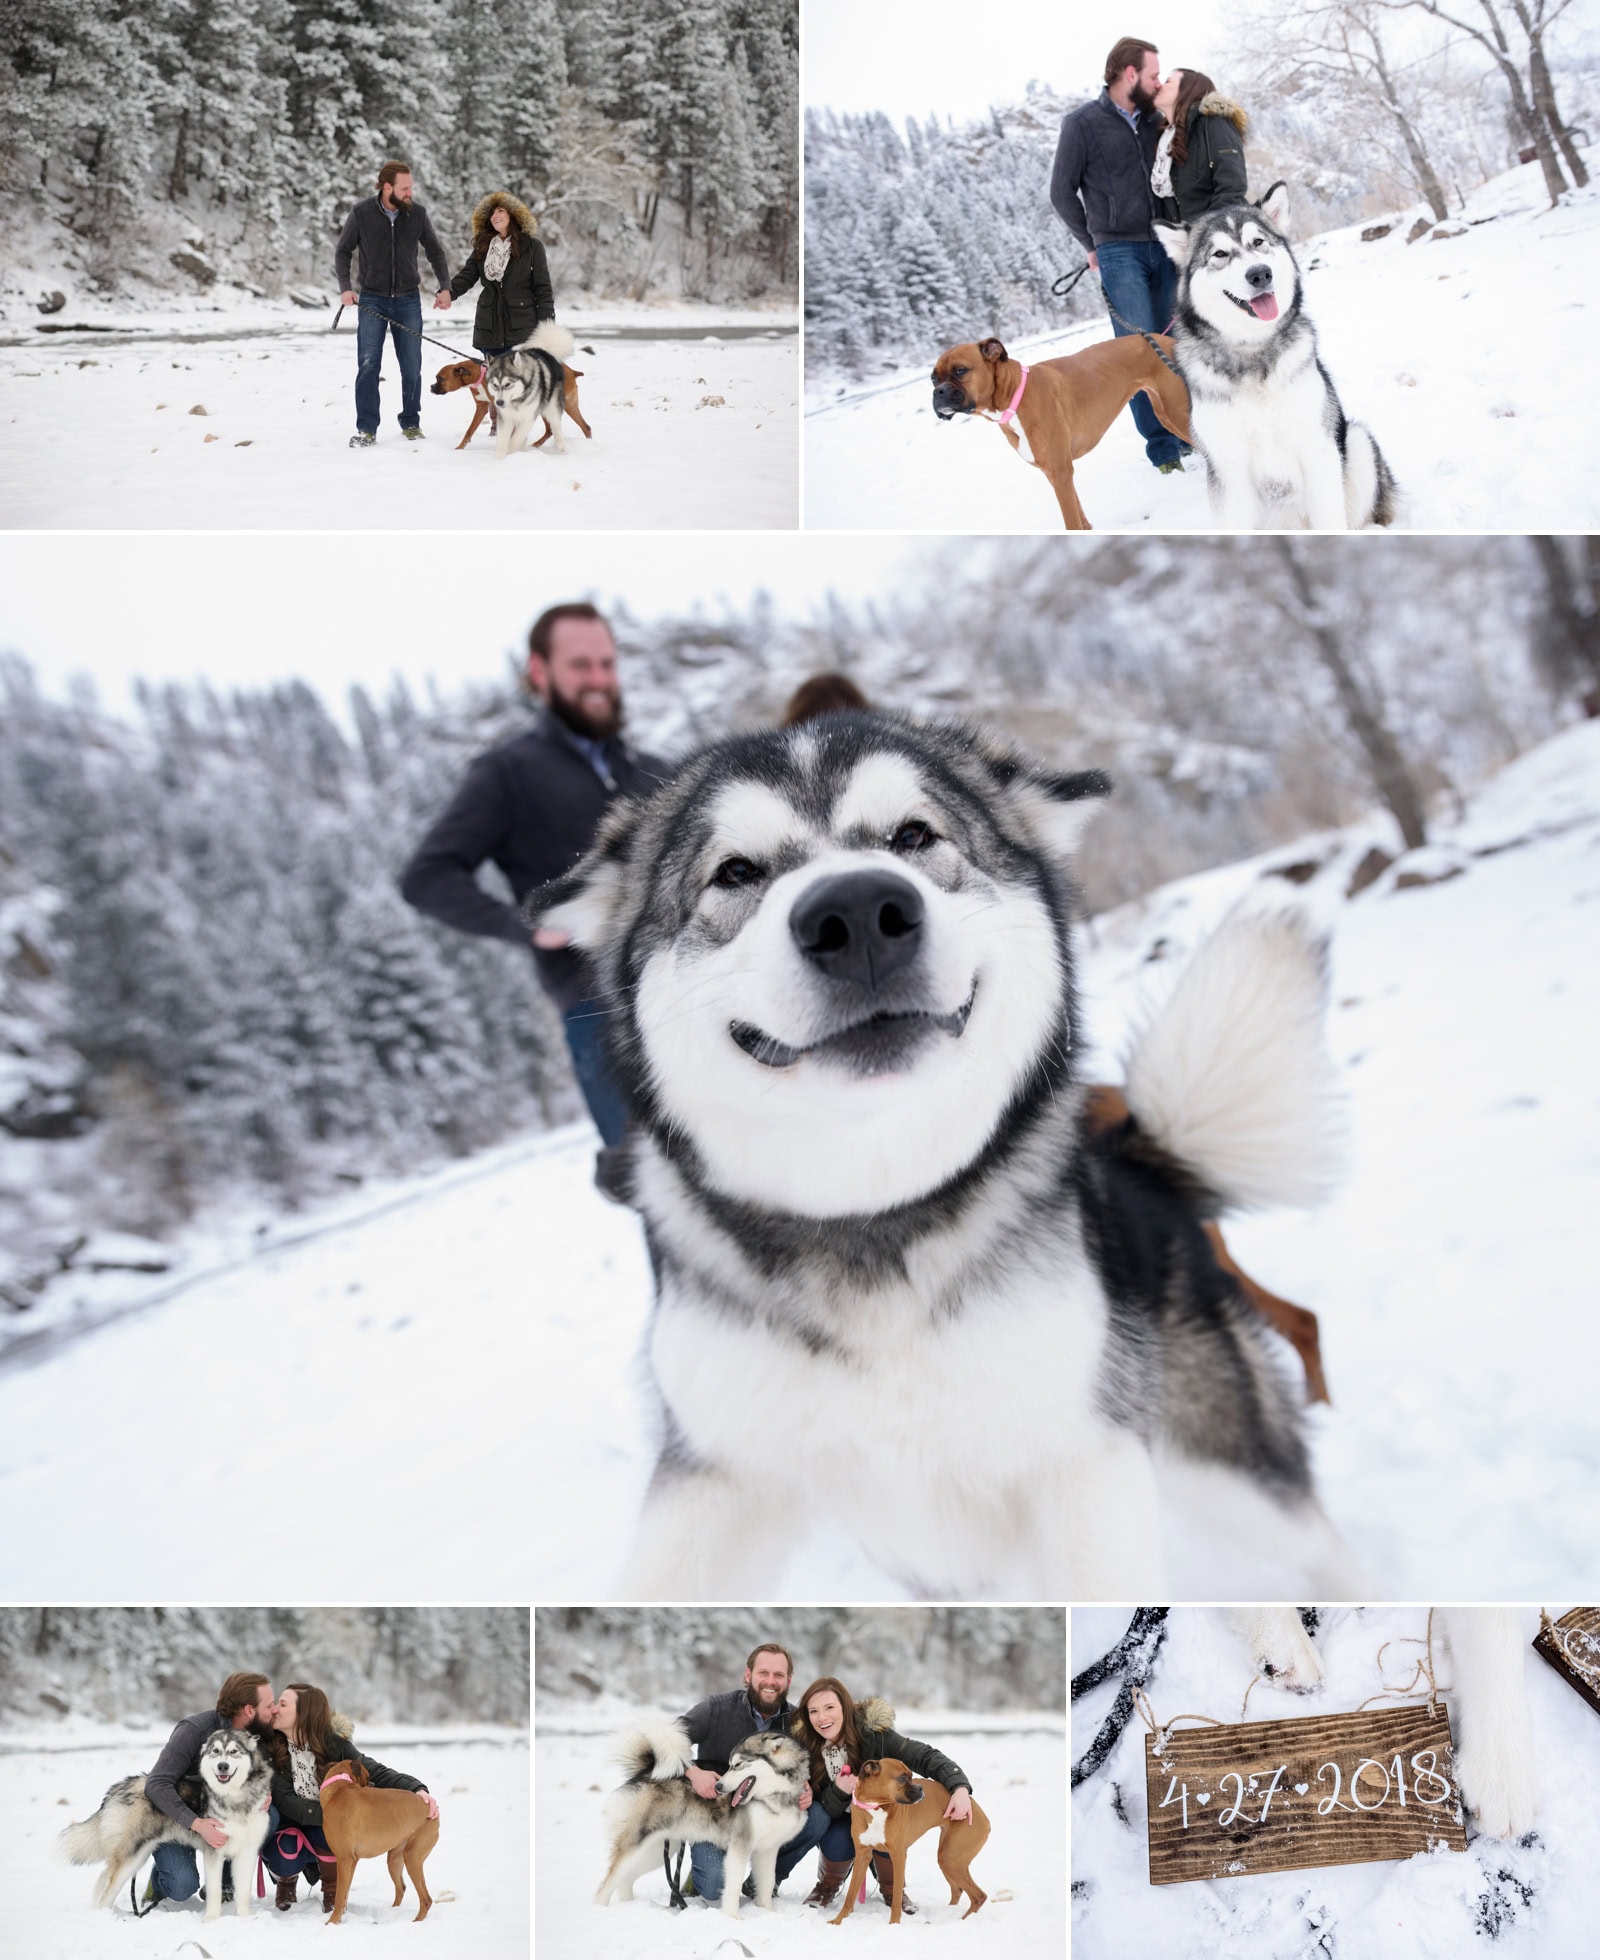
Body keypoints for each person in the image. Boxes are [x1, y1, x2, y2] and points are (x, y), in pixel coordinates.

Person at [398, 604, 672, 1199]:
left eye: (607, 663)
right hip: (597, 1012)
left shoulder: (654, 771)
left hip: (690, 994)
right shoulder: (507, 774)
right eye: (581, 665)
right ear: (539, 672)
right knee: (659, 1197)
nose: (599, 678)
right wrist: (527, 928)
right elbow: (426, 876)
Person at [1049, 37, 1187, 474]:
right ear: (1130, 74)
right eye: (1152, 74)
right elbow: (1061, 193)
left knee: (1178, 344)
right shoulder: (1082, 124)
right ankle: (1165, 452)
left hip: (1164, 244)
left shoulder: (1154, 119)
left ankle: (1193, 432)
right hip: (1119, 252)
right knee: (1138, 352)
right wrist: (1091, 244)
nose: (1157, 81)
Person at [784, 1676, 976, 1915]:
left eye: (829, 1708)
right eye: (813, 1711)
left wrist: (959, 1786)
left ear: (845, 1707)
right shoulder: (805, 1746)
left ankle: (892, 1889)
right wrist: (837, 1791)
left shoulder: (875, 1736)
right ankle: (828, 1885)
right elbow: (819, 1805)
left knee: (891, 1826)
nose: (822, 1718)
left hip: (878, 1813)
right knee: (837, 1840)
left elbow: (924, 1756)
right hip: (840, 1819)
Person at [260, 1681, 437, 1912]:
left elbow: (375, 1771)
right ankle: (286, 1881)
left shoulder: (334, 1744)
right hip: (291, 1826)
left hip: (324, 1826)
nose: (275, 1709)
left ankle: (333, 1888)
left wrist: (417, 1788)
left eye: (282, 1704)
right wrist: (338, 1815)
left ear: (303, 1713)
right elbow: (286, 1801)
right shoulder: (269, 1749)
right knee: (284, 1851)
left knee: (339, 1836)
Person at [678, 1642, 814, 1906]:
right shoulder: (716, 1708)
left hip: (766, 1815)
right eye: (763, 1673)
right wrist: (693, 1772)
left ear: (788, 1680)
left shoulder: (796, 1721)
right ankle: (701, 1873)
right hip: (714, 1815)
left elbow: (806, 1764)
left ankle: (760, 1883)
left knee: (816, 1818)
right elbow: (668, 1740)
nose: (770, 1681)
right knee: (715, 1887)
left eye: (778, 1675)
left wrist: (807, 1786)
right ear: (748, 1674)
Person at [335, 160, 452, 449]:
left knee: (412, 366)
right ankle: (366, 429)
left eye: (410, 187)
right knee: (368, 365)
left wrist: (445, 288)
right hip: (372, 299)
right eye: (405, 188)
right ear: (388, 187)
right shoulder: (361, 213)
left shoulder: (417, 214)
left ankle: (411, 422)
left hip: (408, 300)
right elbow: (343, 251)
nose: (410, 192)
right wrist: (346, 289)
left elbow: (435, 252)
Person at [141, 1671, 275, 1908]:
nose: (274, 1710)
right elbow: (156, 1784)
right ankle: (160, 1881)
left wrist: (265, 1793)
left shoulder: (258, 1735)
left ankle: (224, 1883)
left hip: (223, 1816)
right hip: (180, 1819)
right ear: (248, 1710)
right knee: (182, 1887)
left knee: (269, 1815)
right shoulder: (193, 1731)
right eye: (269, 1704)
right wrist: (197, 1824)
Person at [438, 191, 555, 361]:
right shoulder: (482, 247)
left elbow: (543, 289)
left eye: (500, 211)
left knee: (519, 383)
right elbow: (467, 276)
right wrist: (448, 292)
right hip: (488, 329)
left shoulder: (532, 246)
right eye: (491, 213)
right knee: (493, 384)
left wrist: (548, 327)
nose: (495, 216)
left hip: (522, 330)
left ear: (513, 215)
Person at [1150, 69, 1249, 223]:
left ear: (1187, 90)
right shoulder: (1167, 140)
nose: (1159, 87)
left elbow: (1232, 184)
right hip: (1187, 238)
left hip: (1218, 235)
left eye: (1168, 81)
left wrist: (1211, 230)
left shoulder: (1215, 122)